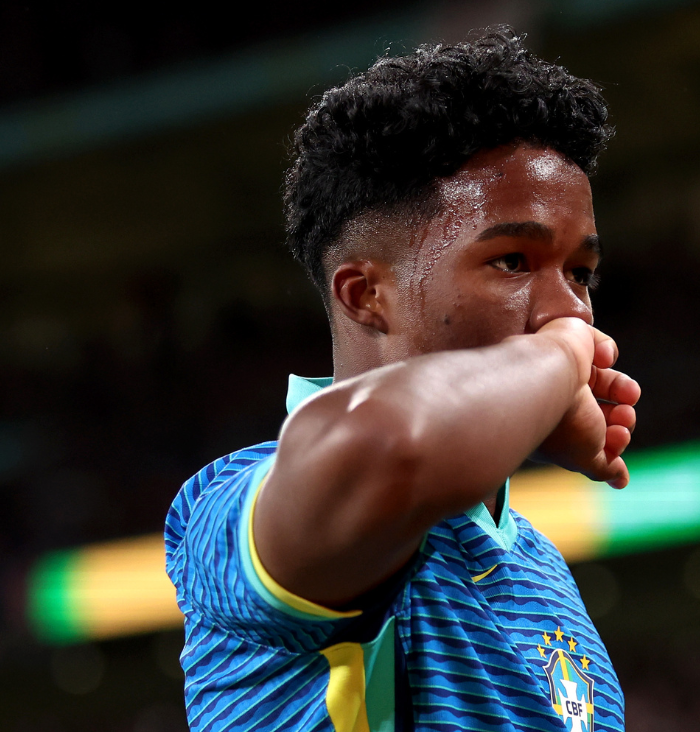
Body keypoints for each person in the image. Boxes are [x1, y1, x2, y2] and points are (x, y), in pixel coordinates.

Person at [165, 27, 640, 732]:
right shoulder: (230, 507)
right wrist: (562, 359)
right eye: (512, 262)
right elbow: (390, 448)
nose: (571, 311)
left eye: (580, 274)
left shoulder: (540, 565)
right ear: (364, 296)